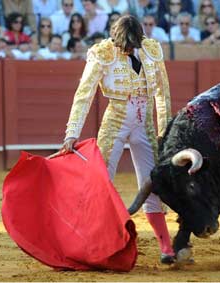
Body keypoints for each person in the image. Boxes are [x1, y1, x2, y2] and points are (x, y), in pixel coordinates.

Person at [60, 15, 175, 264]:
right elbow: (84, 94)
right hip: (115, 122)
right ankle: (92, 243)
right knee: (100, 182)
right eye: (129, 44)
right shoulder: (102, 52)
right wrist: (72, 132)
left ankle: (166, 247)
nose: (132, 49)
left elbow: (162, 94)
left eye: (136, 44)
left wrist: (164, 132)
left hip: (145, 123)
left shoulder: (151, 49)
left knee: (153, 181)